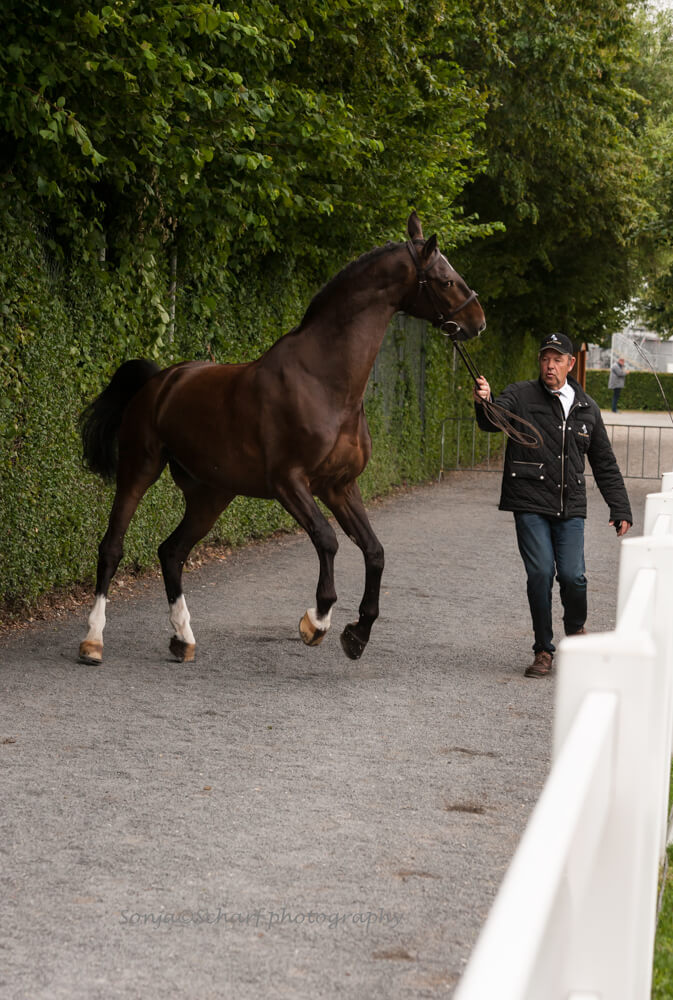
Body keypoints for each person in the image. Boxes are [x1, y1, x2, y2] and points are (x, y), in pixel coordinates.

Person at [473, 332, 633, 678]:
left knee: (574, 577)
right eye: (545, 358)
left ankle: (575, 631)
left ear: (570, 363)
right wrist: (484, 401)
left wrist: (620, 507)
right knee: (541, 573)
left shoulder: (587, 408)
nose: (550, 365)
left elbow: (604, 463)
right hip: (529, 501)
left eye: (557, 359)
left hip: (570, 506)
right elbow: (492, 420)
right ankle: (543, 650)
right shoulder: (519, 394)